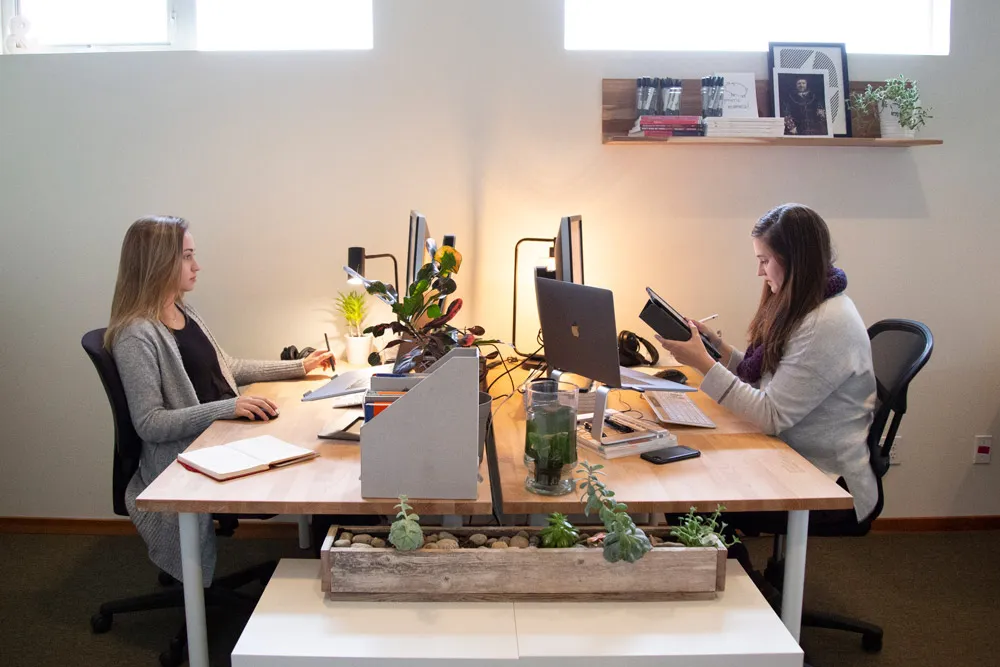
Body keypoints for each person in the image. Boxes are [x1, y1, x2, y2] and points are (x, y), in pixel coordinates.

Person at [105, 216, 332, 585]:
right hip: (190, 454)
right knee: (318, 471)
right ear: (158, 262)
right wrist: (228, 407)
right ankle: (330, 577)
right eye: (187, 257)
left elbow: (227, 367)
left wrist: (299, 367)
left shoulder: (182, 310)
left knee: (317, 442)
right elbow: (150, 423)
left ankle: (331, 567)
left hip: (223, 434)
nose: (197, 266)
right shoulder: (136, 335)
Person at [656, 204, 878, 551]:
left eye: (765, 260)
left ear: (794, 262)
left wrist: (703, 364)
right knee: (687, 483)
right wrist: (717, 348)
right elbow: (767, 376)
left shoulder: (826, 323)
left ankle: (741, 588)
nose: (760, 271)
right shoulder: (805, 304)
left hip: (827, 479)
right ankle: (736, 578)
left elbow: (771, 415)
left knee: (688, 502)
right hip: (789, 455)